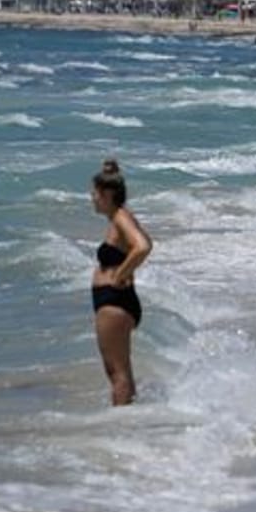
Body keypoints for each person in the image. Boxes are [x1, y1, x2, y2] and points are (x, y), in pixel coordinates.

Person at [90, 159, 154, 406]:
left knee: (117, 375)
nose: (92, 198)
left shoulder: (120, 218)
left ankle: (120, 428)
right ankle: (129, 424)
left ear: (106, 194)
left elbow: (143, 246)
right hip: (117, 301)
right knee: (121, 373)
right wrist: (110, 173)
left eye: (95, 193)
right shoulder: (122, 217)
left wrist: (119, 275)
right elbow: (140, 243)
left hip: (114, 301)